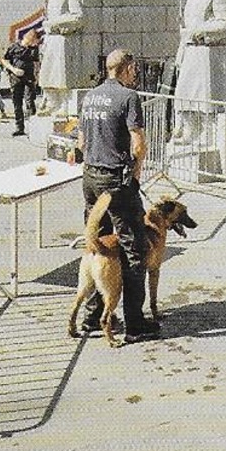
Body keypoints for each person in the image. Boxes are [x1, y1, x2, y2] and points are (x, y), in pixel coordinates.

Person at [75, 48, 157, 340]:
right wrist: (135, 174)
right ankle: (135, 322)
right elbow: (138, 145)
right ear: (127, 68)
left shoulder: (90, 96)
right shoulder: (129, 98)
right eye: (134, 69)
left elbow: (82, 142)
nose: (135, 74)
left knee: (97, 244)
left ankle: (91, 317)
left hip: (90, 177)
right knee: (134, 248)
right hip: (116, 181)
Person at [170, 0, 226, 145]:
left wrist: (200, 30)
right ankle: (189, 131)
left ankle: (207, 134)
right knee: (184, 93)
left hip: (205, 50)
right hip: (189, 50)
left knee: (204, 95)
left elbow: (225, 24)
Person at [37, 0, 85, 117]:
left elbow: (78, 17)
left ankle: (64, 105)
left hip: (62, 37)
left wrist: (54, 22)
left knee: (61, 74)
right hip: (51, 38)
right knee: (47, 73)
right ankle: (52, 102)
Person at [1, 29, 41, 138]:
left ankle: (33, 128)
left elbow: (36, 63)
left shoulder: (33, 49)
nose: (35, 44)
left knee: (30, 101)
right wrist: (13, 69)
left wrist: (36, 77)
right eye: (35, 41)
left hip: (29, 78)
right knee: (17, 103)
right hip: (16, 78)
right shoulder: (14, 47)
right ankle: (19, 127)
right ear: (30, 39)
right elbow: (4, 60)